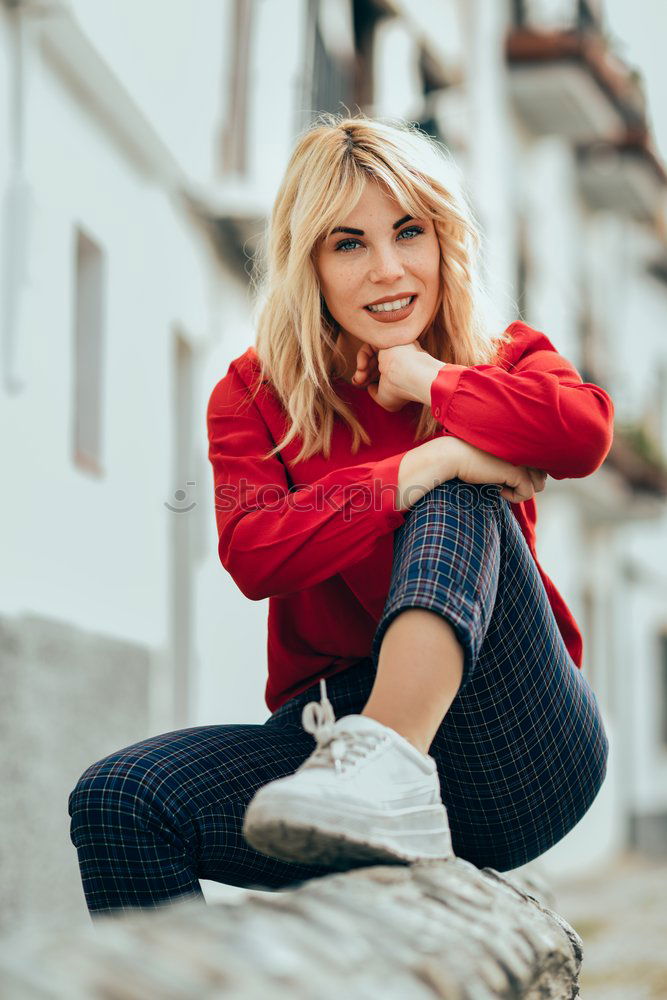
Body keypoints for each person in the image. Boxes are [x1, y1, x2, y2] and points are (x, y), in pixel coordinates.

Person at [68, 114, 613, 919]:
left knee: (455, 492)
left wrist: (430, 380)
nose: (387, 270)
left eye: (408, 232)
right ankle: (368, 775)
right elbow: (254, 551)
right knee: (118, 799)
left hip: (518, 744)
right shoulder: (253, 395)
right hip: (330, 740)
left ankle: (386, 762)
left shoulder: (498, 357)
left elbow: (581, 433)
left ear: (443, 240)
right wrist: (417, 464)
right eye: (348, 243)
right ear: (310, 263)